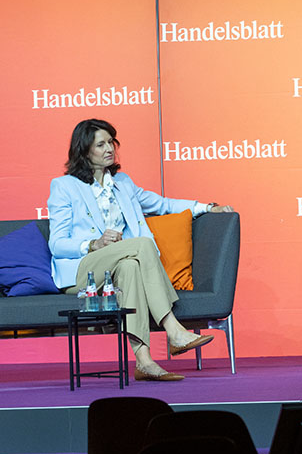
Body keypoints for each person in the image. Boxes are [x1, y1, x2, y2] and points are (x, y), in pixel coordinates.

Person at [48, 118, 235, 381]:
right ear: (84, 150)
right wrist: (93, 244)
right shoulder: (64, 186)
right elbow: (56, 243)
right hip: (84, 271)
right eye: (100, 144)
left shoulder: (122, 183)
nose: (109, 149)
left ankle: (144, 362)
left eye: (111, 142)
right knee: (143, 244)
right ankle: (173, 329)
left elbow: (162, 204)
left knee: (130, 267)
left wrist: (207, 207)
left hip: (119, 266)